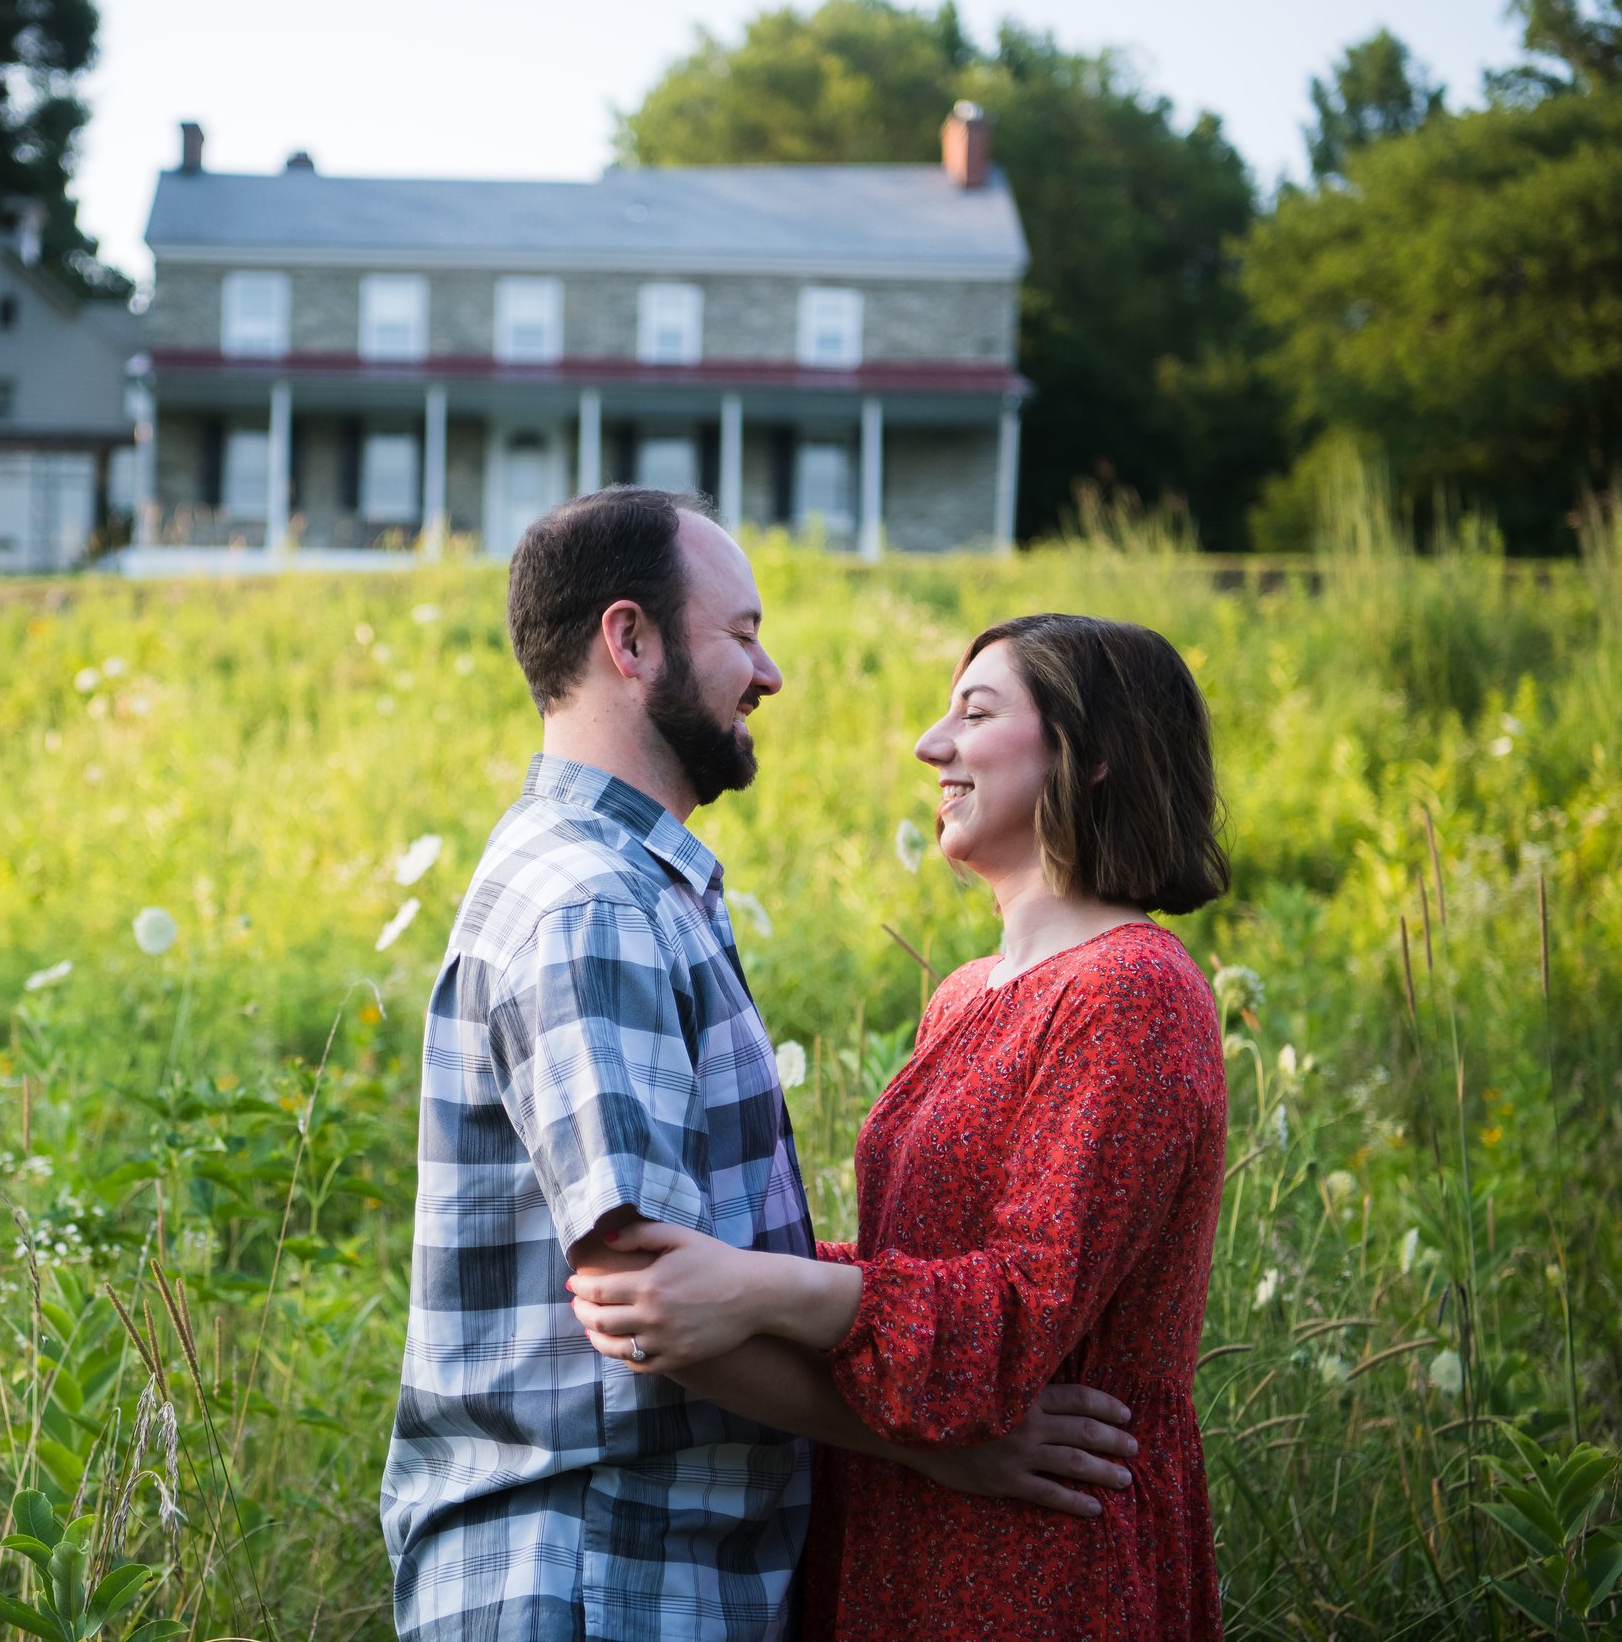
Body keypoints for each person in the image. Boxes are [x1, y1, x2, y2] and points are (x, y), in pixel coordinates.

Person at [380, 497, 1150, 1642]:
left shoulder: (633, 887)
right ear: (629, 640)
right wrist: (945, 1442)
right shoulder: (592, 905)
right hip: (599, 1568)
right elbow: (655, 1304)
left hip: (645, 1567)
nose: (769, 671)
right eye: (740, 632)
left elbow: (713, 1277)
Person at [568, 611, 1232, 1641]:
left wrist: (756, 1284)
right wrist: (720, 1264)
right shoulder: (968, 994)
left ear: (1093, 754)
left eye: (976, 712)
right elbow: (910, 1265)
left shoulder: (1133, 992)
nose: (932, 745)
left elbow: (1014, 1318)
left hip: (1040, 1557)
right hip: (911, 1523)